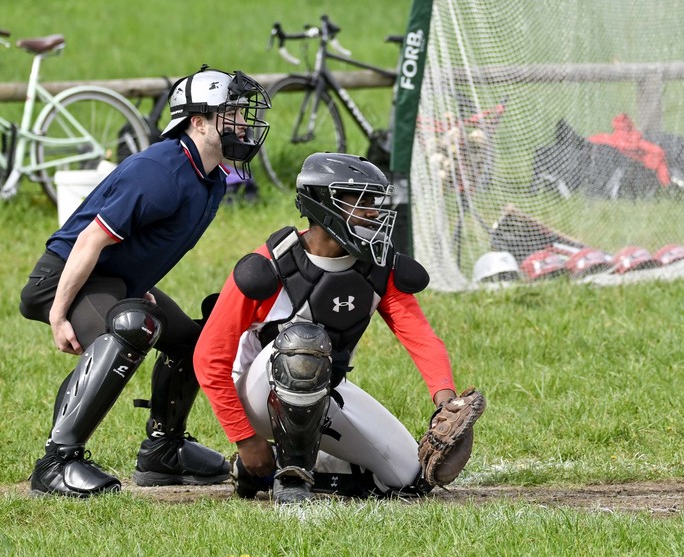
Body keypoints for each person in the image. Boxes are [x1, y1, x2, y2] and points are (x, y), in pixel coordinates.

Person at [18, 67, 270, 497]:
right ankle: (56, 462)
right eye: (230, 114)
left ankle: (163, 450)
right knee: (134, 326)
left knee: (195, 341)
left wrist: (138, 283)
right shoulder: (160, 172)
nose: (242, 124)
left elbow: (149, 245)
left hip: (111, 279)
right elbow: (87, 241)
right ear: (198, 121)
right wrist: (59, 314)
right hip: (63, 277)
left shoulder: (210, 179)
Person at [194, 152, 468, 503]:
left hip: (323, 390)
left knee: (409, 477)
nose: (373, 211)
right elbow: (208, 357)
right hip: (257, 394)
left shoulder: (378, 268)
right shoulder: (269, 265)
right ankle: (290, 478)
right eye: (362, 200)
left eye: (375, 201)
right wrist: (246, 438)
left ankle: (271, 471)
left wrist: (447, 401)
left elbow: (421, 339)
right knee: (302, 343)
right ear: (324, 204)